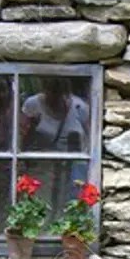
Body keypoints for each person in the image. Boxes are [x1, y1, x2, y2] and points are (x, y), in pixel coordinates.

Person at [20, 77, 91, 215]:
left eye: (59, 94)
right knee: (42, 199)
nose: (55, 98)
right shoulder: (33, 104)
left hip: (73, 161)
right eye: (51, 92)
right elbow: (22, 132)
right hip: (42, 164)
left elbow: (90, 135)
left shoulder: (79, 107)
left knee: (71, 198)